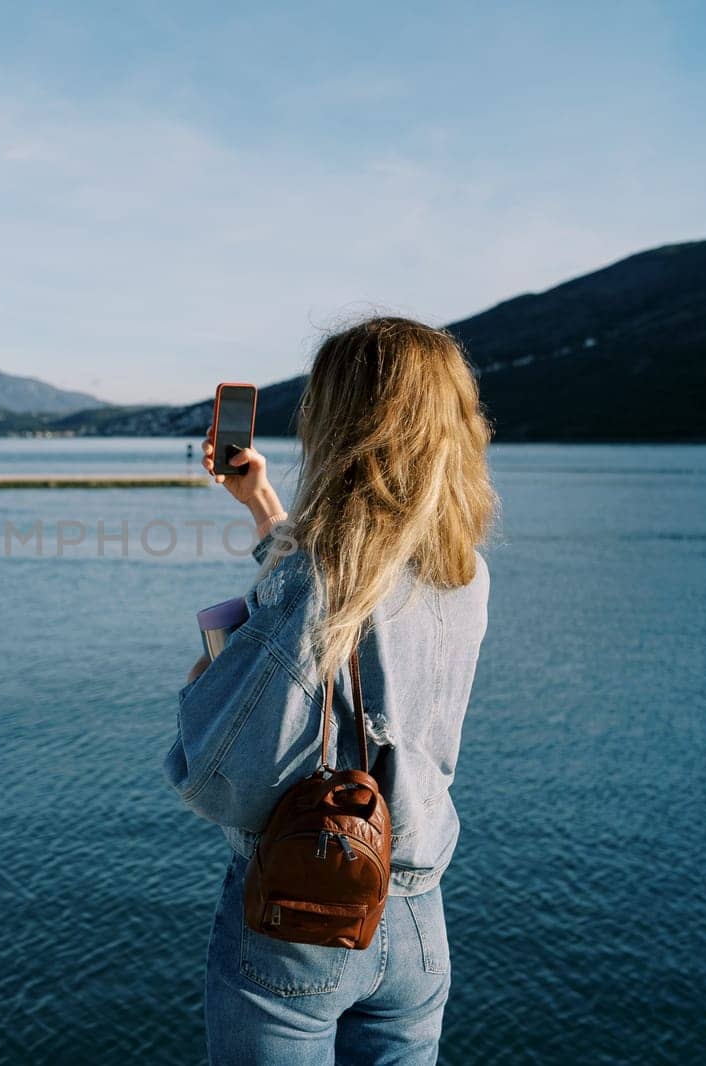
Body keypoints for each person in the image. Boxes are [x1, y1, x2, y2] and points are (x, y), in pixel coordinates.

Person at [165, 316, 497, 1065]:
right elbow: (361, 593)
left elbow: (213, 771)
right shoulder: (466, 574)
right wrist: (263, 507)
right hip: (415, 919)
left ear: (343, 426)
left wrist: (209, 683)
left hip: (299, 925)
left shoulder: (313, 583)